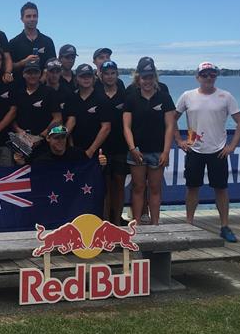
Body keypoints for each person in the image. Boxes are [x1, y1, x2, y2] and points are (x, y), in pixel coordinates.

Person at [174, 62, 240, 243]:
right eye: (204, 74)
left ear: (215, 77)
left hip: (218, 151)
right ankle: (189, 223)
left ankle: (224, 226)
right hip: (194, 149)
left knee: (221, 189)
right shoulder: (187, 96)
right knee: (192, 188)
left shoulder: (226, 96)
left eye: (212, 75)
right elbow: (171, 119)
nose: (208, 78)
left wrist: (232, 146)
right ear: (197, 77)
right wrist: (179, 140)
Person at [123, 57, 175, 226]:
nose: (147, 81)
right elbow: (126, 127)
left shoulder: (164, 98)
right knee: (138, 188)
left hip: (157, 151)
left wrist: (166, 151)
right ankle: (136, 224)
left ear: (155, 77)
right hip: (136, 151)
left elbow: (170, 126)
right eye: (144, 77)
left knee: (155, 188)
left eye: (150, 77)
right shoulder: (131, 97)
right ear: (139, 77)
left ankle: (155, 224)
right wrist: (132, 148)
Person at [97, 60, 129, 225]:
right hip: (103, 148)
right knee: (105, 186)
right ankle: (106, 222)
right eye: (106, 73)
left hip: (121, 147)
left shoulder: (125, 95)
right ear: (101, 75)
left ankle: (117, 221)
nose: (109, 76)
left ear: (117, 75)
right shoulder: (96, 94)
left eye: (113, 73)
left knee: (119, 184)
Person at [64, 63, 111, 158]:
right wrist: (63, 140)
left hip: (97, 150)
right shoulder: (72, 98)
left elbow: (106, 128)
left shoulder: (102, 98)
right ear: (76, 78)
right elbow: (71, 122)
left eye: (89, 76)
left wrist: (91, 150)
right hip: (76, 149)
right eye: (82, 76)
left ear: (93, 78)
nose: (86, 79)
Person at [12, 61, 62, 140]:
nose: (32, 75)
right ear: (23, 74)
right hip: (22, 140)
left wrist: (41, 136)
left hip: (43, 141)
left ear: (40, 74)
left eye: (35, 72)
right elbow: (13, 117)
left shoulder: (49, 92)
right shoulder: (18, 93)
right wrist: (18, 130)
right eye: (29, 73)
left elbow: (58, 118)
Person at [17, 125, 108, 166]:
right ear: (48, 139)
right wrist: (20, 162)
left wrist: (100, 163)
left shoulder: (77, 154)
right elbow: (28, 173)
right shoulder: (41, 159)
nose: (60, 141)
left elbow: (91, 168)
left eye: (63, 137)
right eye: (56, 138)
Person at [8, 1, 56, 76]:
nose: (32, 19)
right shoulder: (14, 42)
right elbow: (9, 67)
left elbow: (53, 64)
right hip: (19, 85)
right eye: (28, 16)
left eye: (34, 16)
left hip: (42, 85)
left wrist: (44, 75)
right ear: (22, 19)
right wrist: (23, 62)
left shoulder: (47, 41)